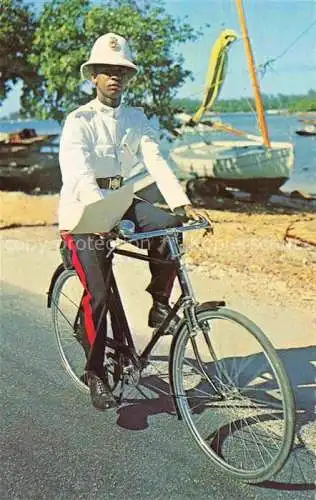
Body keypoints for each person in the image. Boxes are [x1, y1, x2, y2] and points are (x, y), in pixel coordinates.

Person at [58, 33, 205, 411]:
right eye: (107, 71)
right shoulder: (79, 121)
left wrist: (182, 203)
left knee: (170, 229)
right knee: (100, 294)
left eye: (121, 71)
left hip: (122, 202)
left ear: (128, 77)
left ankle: (159, 305)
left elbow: (155, 160)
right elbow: (78, 173)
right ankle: (95, 373)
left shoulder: (136, 119)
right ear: (93, 76)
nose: (114, 77)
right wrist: (99, 216)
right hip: (83, 214)